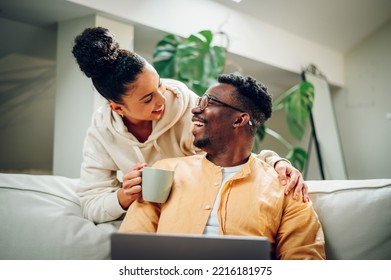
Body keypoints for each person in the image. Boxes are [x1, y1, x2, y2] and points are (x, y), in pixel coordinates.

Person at [72, 26, 309, 224]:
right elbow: (91, 203)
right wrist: (123, 196)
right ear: (117, 108)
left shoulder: (189, 108)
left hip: (198, 210)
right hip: (152, 218)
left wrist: (275, 161)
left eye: (160, 85)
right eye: (147, 98)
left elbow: (234, 151)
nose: (161, 99)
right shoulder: (102, 130)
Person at [119, 74, 325, 260]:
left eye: (209, 103)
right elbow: (132, 247)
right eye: (199, 101)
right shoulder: (165, 171)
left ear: (239, 119)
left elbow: (304, 263)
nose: (195, 109)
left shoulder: (287, 189)